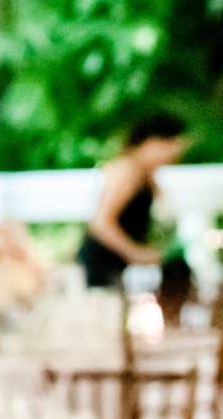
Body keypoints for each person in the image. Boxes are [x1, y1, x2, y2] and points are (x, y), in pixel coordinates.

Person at [77, 110, 189, 291]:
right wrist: (137, 254)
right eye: (171, 145)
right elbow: (101, 222)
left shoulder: (144, 172)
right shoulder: (127, 169)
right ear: (152, 141)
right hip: (102, 264)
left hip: (116, 265)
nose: (175, 154)